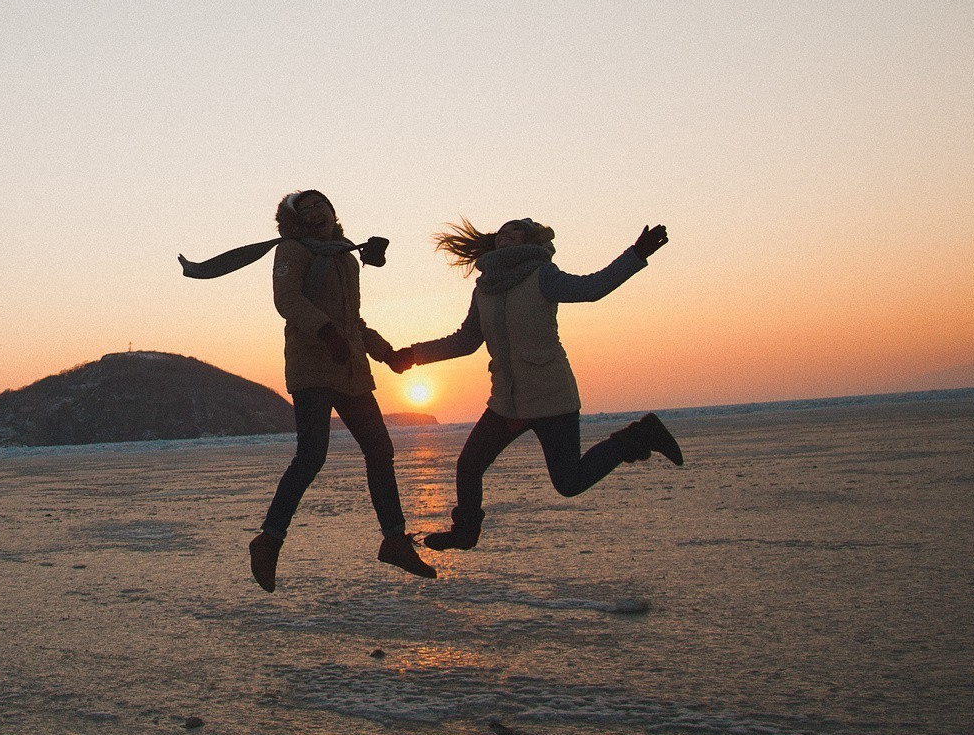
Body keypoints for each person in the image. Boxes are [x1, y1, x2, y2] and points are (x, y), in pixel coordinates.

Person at [387, 217, 682, 553]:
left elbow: (591, 289)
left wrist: (636, 254)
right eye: (500, 231)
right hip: (506, 402)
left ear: (531, 240)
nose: (504, 235)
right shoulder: (484, 289)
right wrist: (413, 356)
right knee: (469, 464)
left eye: (514, 230)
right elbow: (466, 341)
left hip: (551, 398)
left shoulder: (542, 276)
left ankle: (637, 436)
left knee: (569, 482)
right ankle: (466, 531)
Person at [245, 190, 434, 591]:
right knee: (311, 456)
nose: (317, 210)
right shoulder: (293, 251)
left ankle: (395, 540)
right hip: (312, 367)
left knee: (380, 450)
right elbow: (288, 300)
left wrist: (387, 353)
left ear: (333, 211)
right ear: (295, 220)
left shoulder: (346, 258)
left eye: (322, 204)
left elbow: (354, 321)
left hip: (350, 370)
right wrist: (326, 331)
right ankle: (269, 540)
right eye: (306, 207)